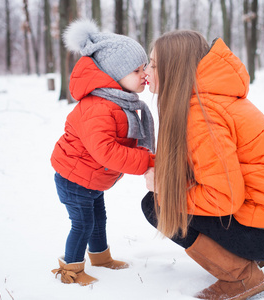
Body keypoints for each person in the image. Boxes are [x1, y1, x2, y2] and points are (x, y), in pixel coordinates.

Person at [142, 30, 264, 300]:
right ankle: (243, 259)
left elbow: (223, 198)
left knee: (157, 205)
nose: (147, 70)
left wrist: (168, 192)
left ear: (175, 69)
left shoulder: (201, 114)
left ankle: (241, 277)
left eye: (154, 64)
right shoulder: (210, 97)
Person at [50, 19, 155, 286]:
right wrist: (149, 160)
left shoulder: (119, 102)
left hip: (91, 179)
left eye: (145, 67)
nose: (144, 74)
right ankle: (71, 271)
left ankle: (100, 257)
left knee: (98, 220)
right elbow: (106, 152)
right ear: (113, 75)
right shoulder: (99, 108)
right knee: (83, 224)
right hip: (74, 179)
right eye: (136, 70)